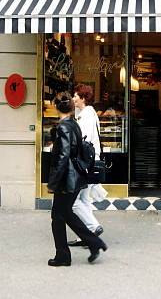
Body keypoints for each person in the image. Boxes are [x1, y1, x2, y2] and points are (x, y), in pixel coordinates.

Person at [47, 92, 107, 266]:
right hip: (76, 177)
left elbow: (63, 157)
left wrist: (53, 183)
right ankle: (91, 244)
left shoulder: (64, 127)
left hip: (67, 179)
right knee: (63, 215)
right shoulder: (74, 124)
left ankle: (65, 255)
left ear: (56, 107)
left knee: (59, 216)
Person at [68, 84, 104, 247]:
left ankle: (93, 227)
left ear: (83, 98)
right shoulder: (84, 113)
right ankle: (86, 235)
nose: (73, 98)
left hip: (86, 163)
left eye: (76, 96)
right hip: (87, 161)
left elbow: (83, 140)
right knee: (84, 198)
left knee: (75, 201)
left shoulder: (88, 115)